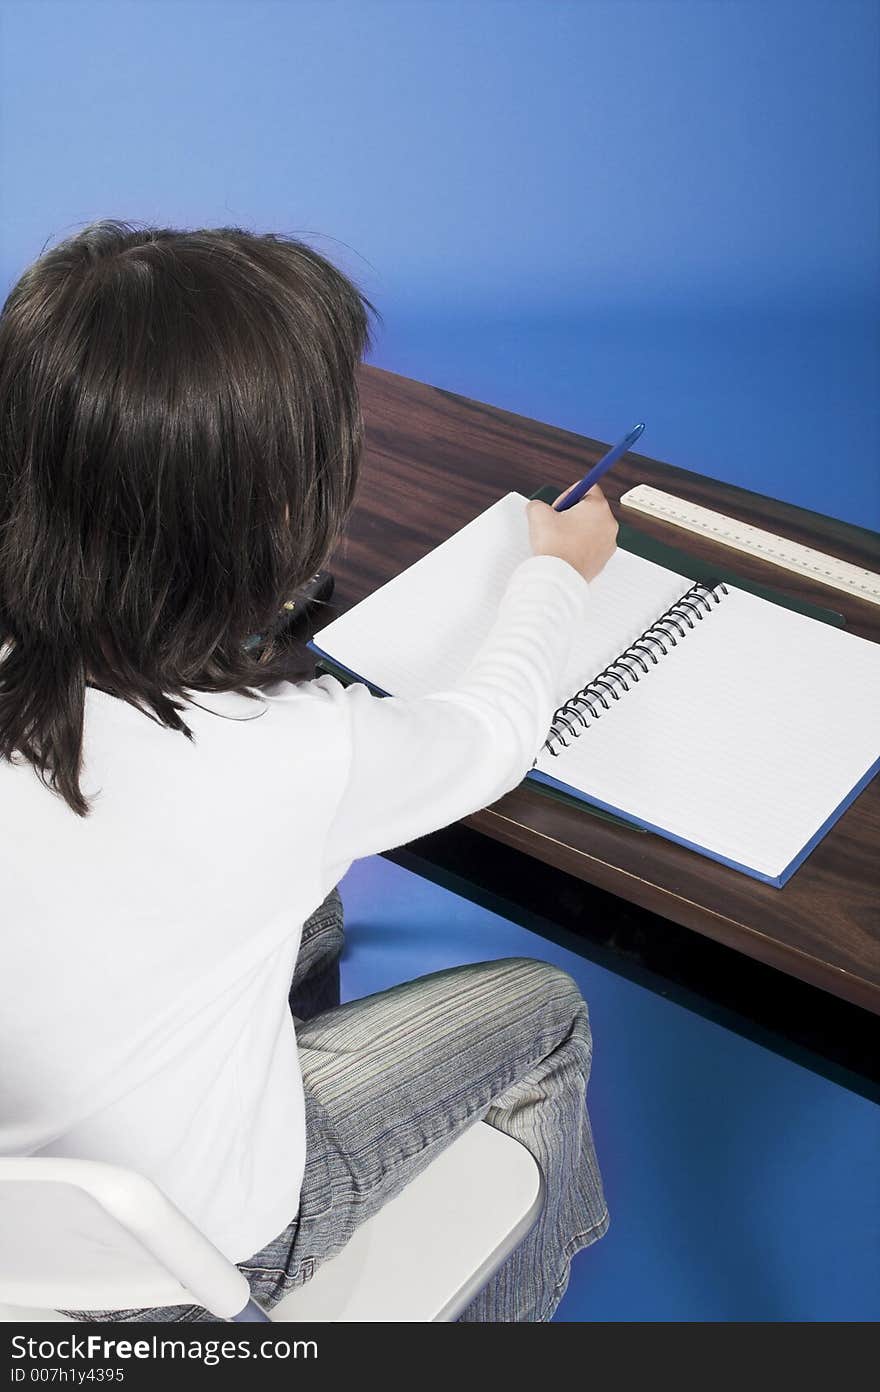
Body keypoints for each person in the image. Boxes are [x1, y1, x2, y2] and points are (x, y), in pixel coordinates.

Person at [0, 221, 614, 1323]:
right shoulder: (288, 756)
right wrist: (554, 579)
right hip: (205, 1254)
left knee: (311, 916)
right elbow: (491, 733)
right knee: (550, 1009)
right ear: (278, 519)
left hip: (24, 1231)